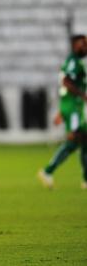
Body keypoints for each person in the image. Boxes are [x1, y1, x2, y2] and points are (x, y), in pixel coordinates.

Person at [38, 34, 87, 190]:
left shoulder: (76, 62)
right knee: (74, 139)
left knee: (84, 139)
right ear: (74, 45)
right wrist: (83, 95)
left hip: (74, 106)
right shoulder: (73, 61)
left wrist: (61, 110)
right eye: (82, 44)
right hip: (73, 107)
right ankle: (47, 171)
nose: (85, 47)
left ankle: (85, 179)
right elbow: (65, 81)